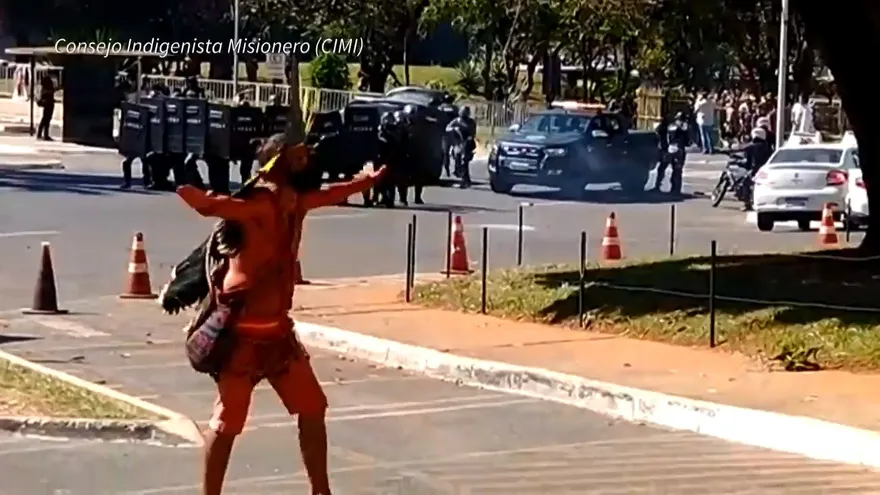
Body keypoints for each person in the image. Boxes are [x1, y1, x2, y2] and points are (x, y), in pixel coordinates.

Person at [176, 134, 386, 495]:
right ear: (282, 163)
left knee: (313, 407)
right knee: (227, 423)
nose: (310, 161)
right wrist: (195, 196)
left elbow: (333, 193)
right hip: (240, 336)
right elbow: (218, 207)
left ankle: (321, 491)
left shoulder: (296, 202)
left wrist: (367, 181)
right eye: (301, 157)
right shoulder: (260, 202)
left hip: (278, 335)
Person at [372, 111, 405, 207]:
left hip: (390, 157)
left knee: (387, 181)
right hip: (385, 157)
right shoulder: (384, 130)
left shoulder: (395, 131)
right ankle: (382, 198)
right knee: (382, 180)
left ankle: (387, 199)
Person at [653, 112, 689, 193]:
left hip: (670, 148)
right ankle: (676, 189)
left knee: (662, 168)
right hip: (679, 149)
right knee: (677, 170)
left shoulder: (671, 125)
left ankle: (657, 185)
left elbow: (659, 131)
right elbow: (688, 141)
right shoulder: (684, 127)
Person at [739, 127, 774, 211]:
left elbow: (748, 161)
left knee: (744, 183)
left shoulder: (752, 146)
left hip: (755, 171)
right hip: (766, 171)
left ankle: (747, 204)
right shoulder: (767, 147)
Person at [396, 105, 424, 205]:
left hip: (416, 154)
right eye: (410, 115)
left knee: (418, 178)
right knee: (402, 179)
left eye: (413, 115)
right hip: (404, 155)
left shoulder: (420, 126)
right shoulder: (401, 125)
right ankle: (403, 198)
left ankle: (417, 197)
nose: (411, 117)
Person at [444, 106, 477, 188]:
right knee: (458, 161)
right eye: (462, 112)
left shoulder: (471, 122)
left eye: (465, 112)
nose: (463, 113)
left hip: (467, 144)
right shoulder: (457, 121)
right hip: (457, 144)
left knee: (464, 162)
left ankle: (465, 181)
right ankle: (464, 179)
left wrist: (467, 139)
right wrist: (454, 129)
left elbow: (472, 134)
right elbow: (447, 128)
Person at [36, 73, 58, 141]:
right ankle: (45, 135)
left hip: (48, 105)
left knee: (45, 120)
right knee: (46, 120)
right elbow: (49, 95)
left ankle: (41, 134)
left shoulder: (44, 89)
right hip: (49, 105)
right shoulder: (47, 89)